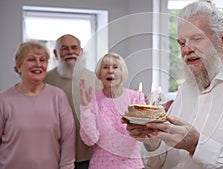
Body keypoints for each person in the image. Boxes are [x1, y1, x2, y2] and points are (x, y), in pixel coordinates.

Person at [123, 1, 223, 169]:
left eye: (196, 38)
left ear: (222, 39)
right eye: (182, 43)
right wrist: (152, 141)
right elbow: (163, 164)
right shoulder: (187, 88)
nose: (186, 49)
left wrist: (197, 145)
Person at [0, 40, 75, 169]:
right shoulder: (4, 100)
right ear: (18, 65)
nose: (38, 64)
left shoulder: (58, 96)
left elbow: (68, 139)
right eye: (31, 60)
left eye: (42, 60)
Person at [44, 34, 101, 169]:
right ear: (55, 53)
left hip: (88, 155)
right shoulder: (45, 80)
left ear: (80, 52)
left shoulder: (96, 80)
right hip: (54, 155)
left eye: (74, 48)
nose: (70, 52)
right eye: (64, 48)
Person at [79, 52, 145, 169]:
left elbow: (144, 135)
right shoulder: (93, 100)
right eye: (105, 67)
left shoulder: (136, 98)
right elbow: (90, 140)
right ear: (99, 74)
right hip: (101, 165)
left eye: (115, 67)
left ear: (122, 73)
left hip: (132, 166)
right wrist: (85, 108)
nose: (110, 71)